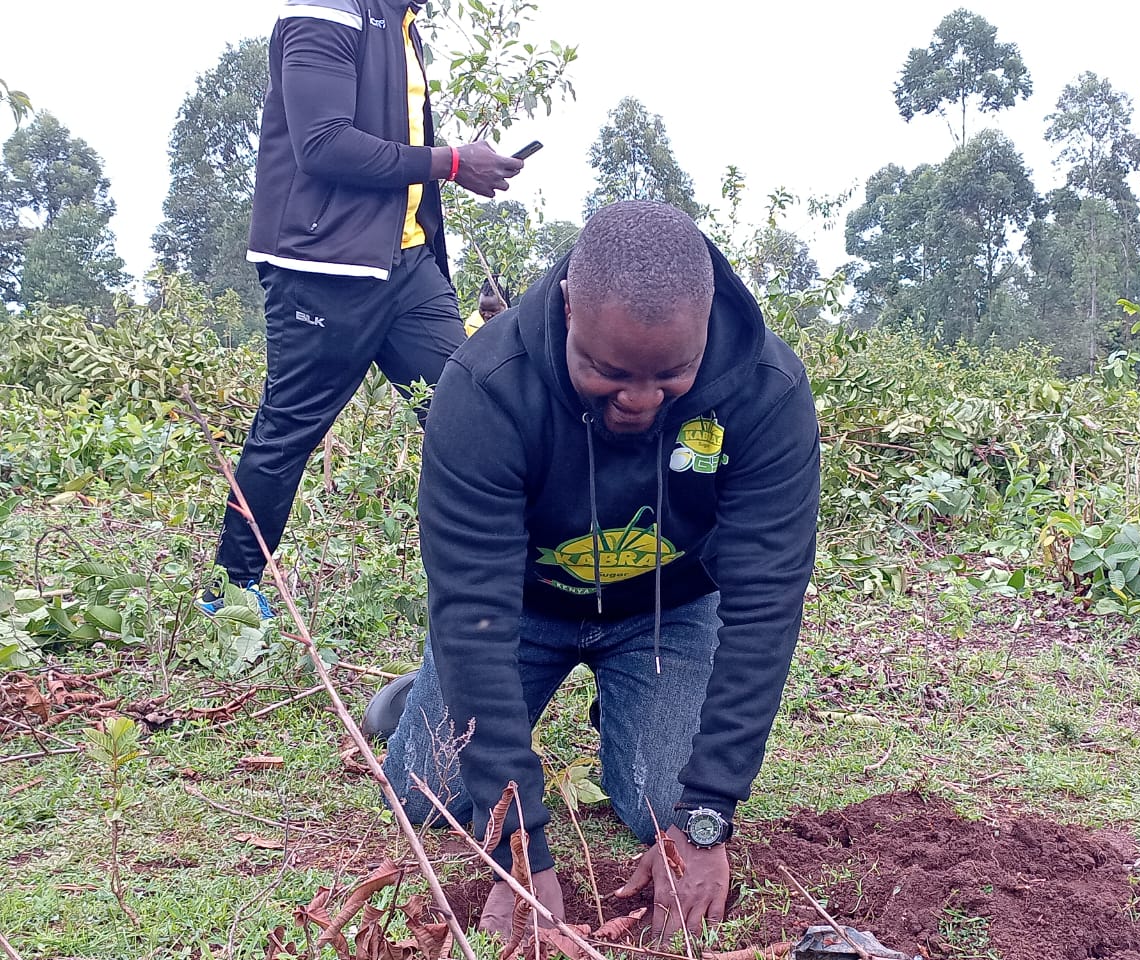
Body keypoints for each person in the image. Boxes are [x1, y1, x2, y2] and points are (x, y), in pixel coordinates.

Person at [375, 200, 820, 941]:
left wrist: (705, 822)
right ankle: (410, 701)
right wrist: (522, 848)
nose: (639, 402)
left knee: (659, 806)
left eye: (671, 374)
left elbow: (766, 606)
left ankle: (625, 699)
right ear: (568, 305)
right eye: (607, 372)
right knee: (432, 791)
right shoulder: (488, 386)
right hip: (522, 611)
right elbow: (472, 610)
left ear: (707, 325)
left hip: (666, 614)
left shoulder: (766, 392)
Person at [199, 0, 524, 615]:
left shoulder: (403, 25)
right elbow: (321, 144)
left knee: (474, 408)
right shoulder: (327, 12)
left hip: (408, 266)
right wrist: (452, 162)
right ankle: (231, 591)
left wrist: (444, 184)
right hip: (324, 270)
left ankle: (507, 582)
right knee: (289, 431)